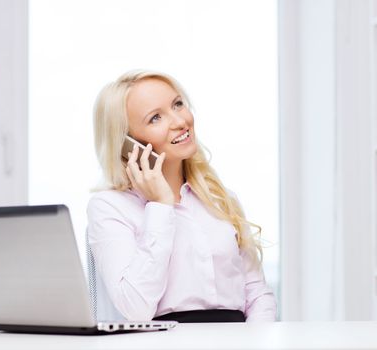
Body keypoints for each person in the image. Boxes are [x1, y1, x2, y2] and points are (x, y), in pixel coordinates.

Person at [87, 69, 276, 323]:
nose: (180, 121)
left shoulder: (220, 198)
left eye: (178, 104)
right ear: (128, 144)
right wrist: (160, 206)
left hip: (237, 340)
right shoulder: (110, 207)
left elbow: (257, 295)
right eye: (155, 118)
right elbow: (136, 308)